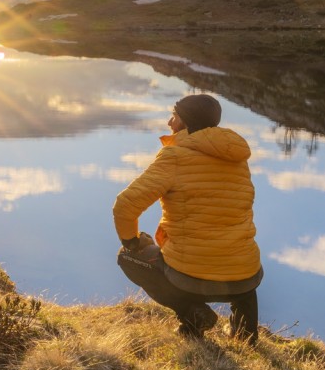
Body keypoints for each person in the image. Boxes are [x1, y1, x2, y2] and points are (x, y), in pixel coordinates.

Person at [113, 93, 263, 342]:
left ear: (185, 122)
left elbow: (125, 205)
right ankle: (246, 334)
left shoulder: (174, 157)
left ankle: (193, 314)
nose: (169, 123)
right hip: (246, 278)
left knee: (127, 257)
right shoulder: (237, 158)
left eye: (174, 117)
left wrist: (131, 242)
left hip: (191, 278)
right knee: (235, 253)